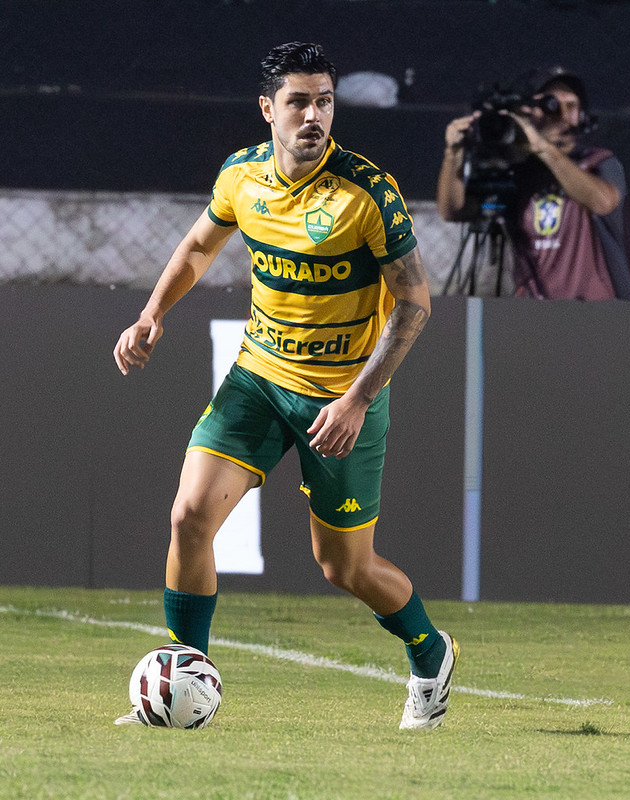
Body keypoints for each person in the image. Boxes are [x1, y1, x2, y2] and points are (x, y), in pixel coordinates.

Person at [113, 42, 458, 731]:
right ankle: (186, 684)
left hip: (341, 399)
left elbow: (415, 302)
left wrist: (358, 399)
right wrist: (151, 313)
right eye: (299, 101)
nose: (313, 115)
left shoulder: (367, 193)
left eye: (324, 101)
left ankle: (430, 654)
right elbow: (199, 247)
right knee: (189, 518)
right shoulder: (242, 176)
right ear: (268, 108)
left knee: (344, 568)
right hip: (258, 381)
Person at [437, 65, 630, 300]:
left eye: (571, 105)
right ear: (530, 111)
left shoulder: (600, 161)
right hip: (534, 311)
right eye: (550, 104)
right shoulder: (520, 174)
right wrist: (453, 155)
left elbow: (604, 202)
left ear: (582, 114)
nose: (561, 113)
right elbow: (455, 211)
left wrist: (542, 148)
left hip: (598, 312)